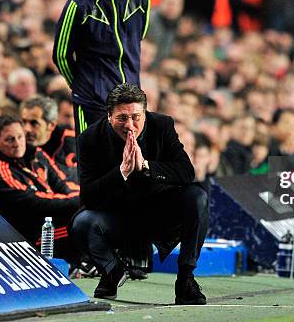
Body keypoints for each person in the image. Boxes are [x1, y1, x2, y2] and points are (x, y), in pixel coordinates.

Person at [70, 84, 208, 304]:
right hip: (117, 216)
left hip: (159, 212)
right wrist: (121, 172)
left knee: (198, 197)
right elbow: (88, 197)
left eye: (136, 117)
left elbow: (186, 172)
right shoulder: (90, 138)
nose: (130, 126)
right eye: (122, 118)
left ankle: (186, 279)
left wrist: (145, 166)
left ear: (145, 113)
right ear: (109, 116)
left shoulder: (162, 125)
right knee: (82, 222)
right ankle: (112, 271)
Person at [52, 0, 151, 135]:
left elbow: (139, 36)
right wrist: (82, 85)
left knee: (129, 162)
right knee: (93, 162)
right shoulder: (77, 5)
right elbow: (60, 54)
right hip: (91, 102)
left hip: (130, 101)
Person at [0, 115, 80, 259]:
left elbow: (62, 184)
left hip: (47, 223)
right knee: (80, 223)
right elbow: (38, 202)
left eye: (20, 137)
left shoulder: (36, 154)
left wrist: (81, 198)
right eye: (10, 139)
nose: (17, 143)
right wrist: (82, 200)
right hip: (23, 238)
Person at [19, 95, 77, 181]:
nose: (26, 129)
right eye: (23, 122)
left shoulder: (73, 142)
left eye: (34, 123)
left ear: (51, 125)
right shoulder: (17, 146)